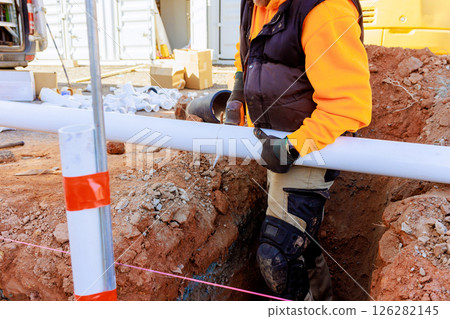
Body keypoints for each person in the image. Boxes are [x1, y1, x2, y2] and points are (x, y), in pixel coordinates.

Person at [225, 0, 372, 300]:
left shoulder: (324, 10)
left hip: (311, 145)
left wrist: (293, 147)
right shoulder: (254, 4)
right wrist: (238, 96)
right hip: (274, 141)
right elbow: (248, 55)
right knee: (300, 247)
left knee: (279, 256)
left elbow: (348, 104)